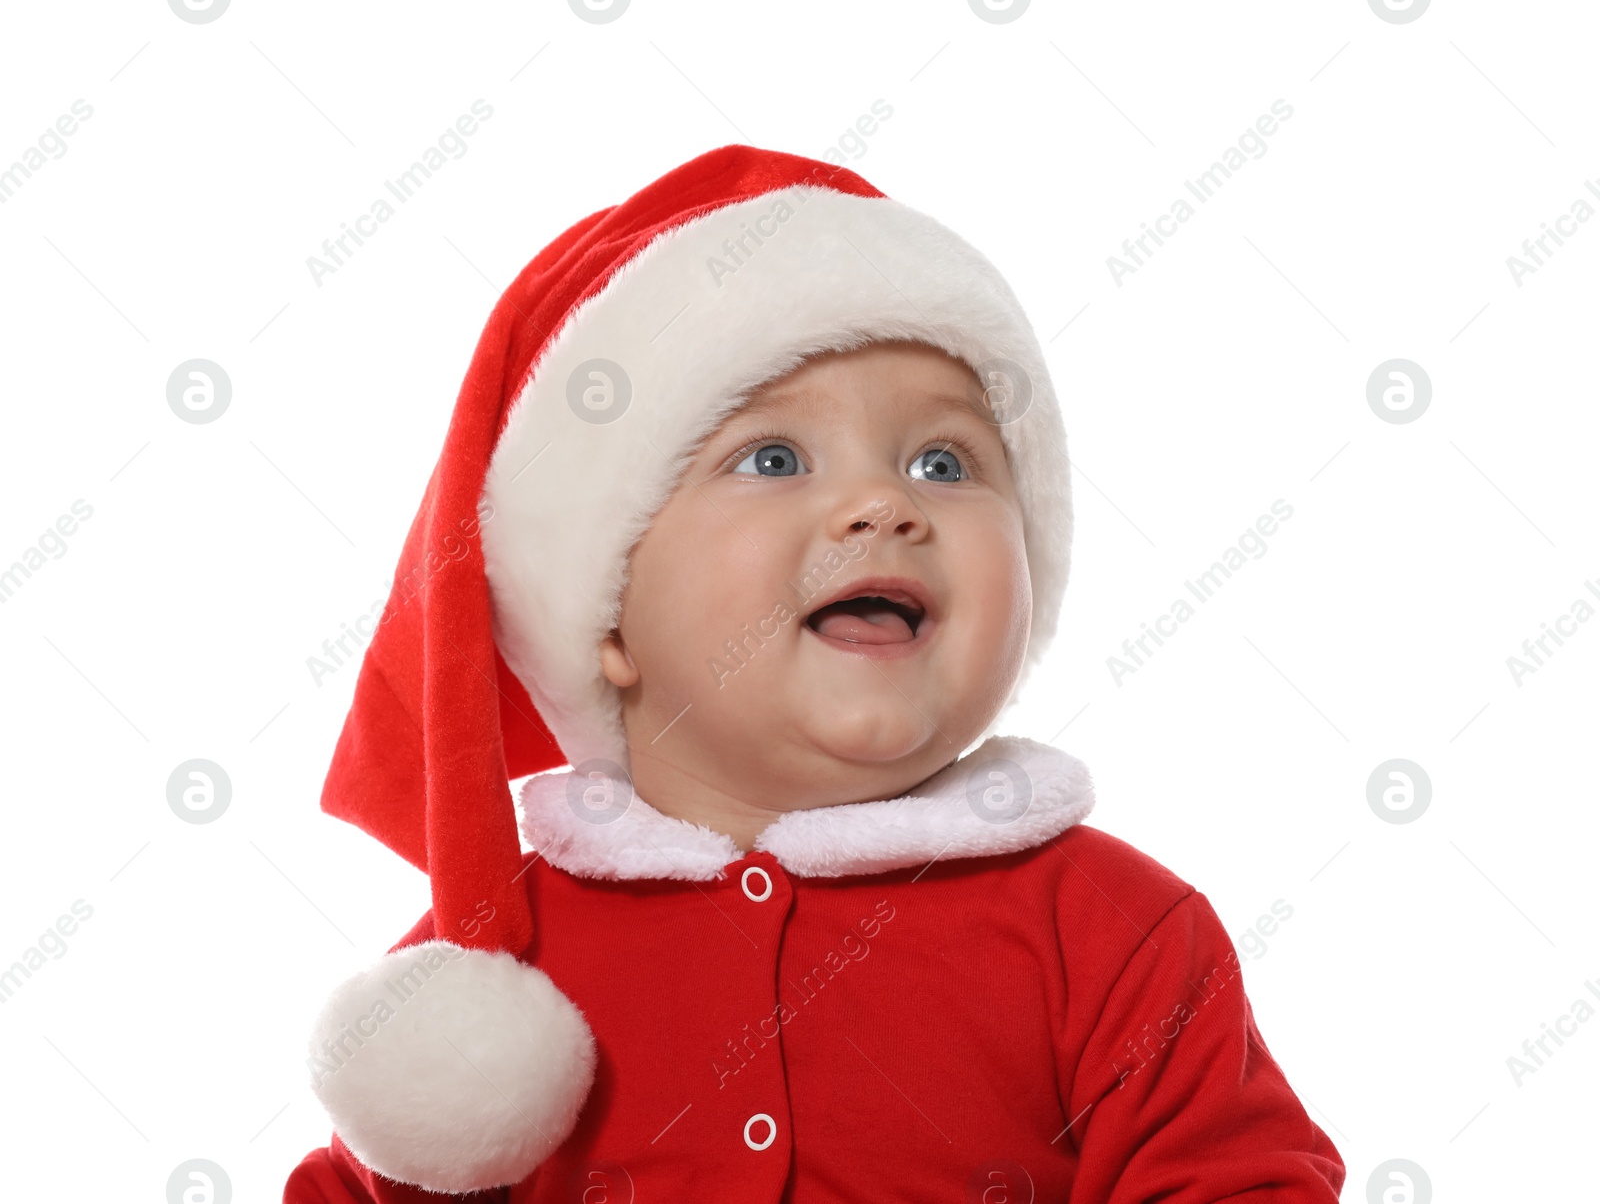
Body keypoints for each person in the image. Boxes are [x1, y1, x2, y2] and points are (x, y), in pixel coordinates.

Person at [283, 144, 1344, 1202]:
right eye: (774, 459)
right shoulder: (486, 980)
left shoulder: (1114, 932)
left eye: (945, 460)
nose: (885, 505)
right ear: (601, 610)